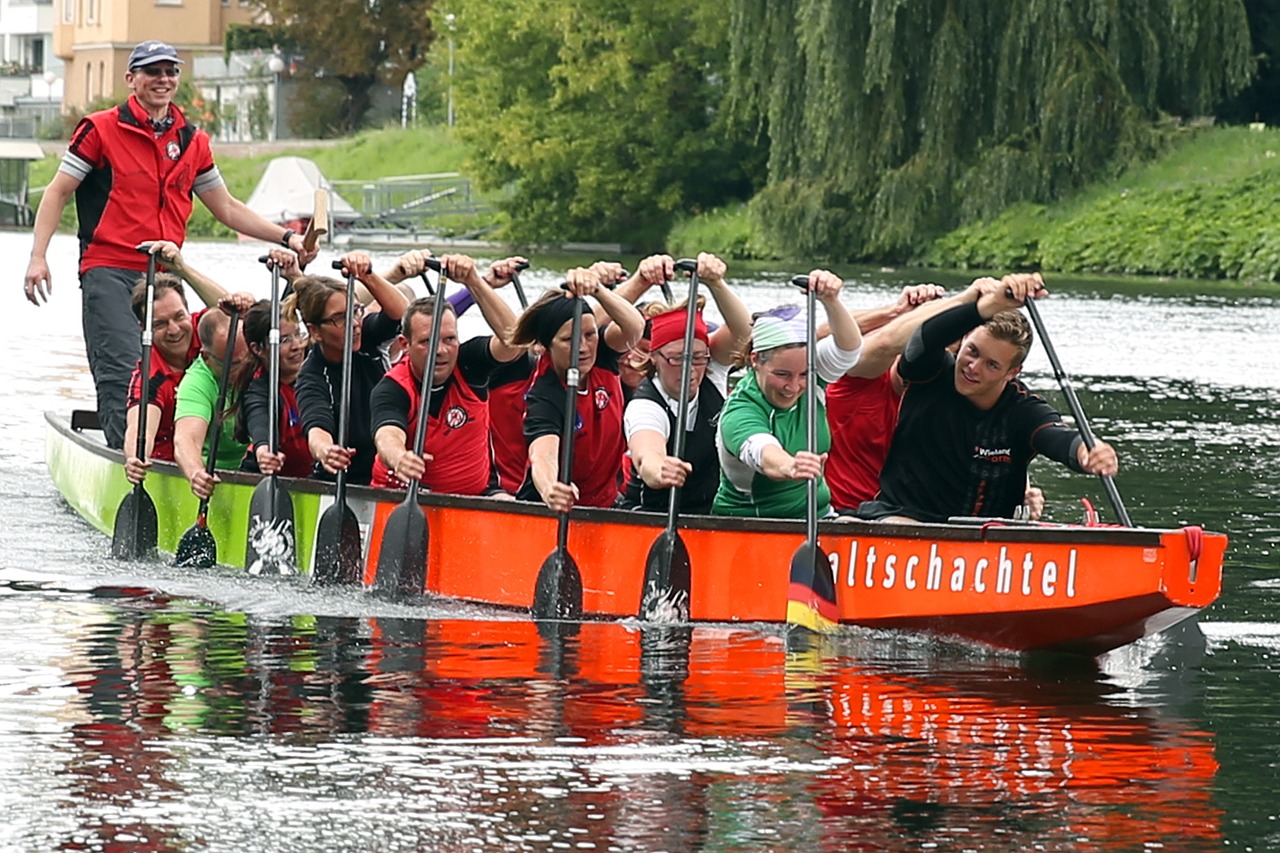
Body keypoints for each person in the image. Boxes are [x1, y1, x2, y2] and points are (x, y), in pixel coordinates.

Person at [22, 40, 318, 450]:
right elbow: (57, 193)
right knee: (125, 368)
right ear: (132, 79)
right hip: (110, 269)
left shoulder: (192, 141)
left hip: (166, 271)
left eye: (170, 72)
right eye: (152, 72)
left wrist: (288, 238)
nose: (163, 79)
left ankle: (187, 445)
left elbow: (228, 208)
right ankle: (123, 453)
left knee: (195, 354)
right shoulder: (99, 129)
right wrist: (38, 257)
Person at [857, 273, 1118, 523]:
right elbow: (925, 337)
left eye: (991, 365)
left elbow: (1058, 438)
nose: (973, 367)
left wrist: (1088, 452)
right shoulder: (930, 372)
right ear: (964, 339)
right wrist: (988, 306)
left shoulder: (1023, 409)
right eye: (972, 351)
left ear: (1012, 372)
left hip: (985, 541)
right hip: (900, 517)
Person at [370, 255, 528, 495]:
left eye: (449, 339)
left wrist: (474, 281)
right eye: (427, 342)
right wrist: (400, 457)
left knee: (511, 508)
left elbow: (514, 343)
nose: (441, 351)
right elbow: (387, 435)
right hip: (402, 496)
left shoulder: (469, 364)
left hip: (478, 495)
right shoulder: (392, 387)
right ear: (404, 344)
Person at [712, 270, 863, 518]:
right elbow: (763, 452)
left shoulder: (814, 375)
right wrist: (790, 466)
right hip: (753, 527)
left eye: (803, 374)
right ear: (755, 360)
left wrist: (831, 301)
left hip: (820, 516)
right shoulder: (740, 410)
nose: (793, 386)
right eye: (782, 374)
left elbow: (849, 350)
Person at [620, 253, 753, 515]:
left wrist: (716, 283)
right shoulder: (645, 405)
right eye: (676, 358)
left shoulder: (712, 371)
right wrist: (659, 470)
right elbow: (646, 453)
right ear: (655, 358)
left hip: (709, 515)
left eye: (698, 357)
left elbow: (744, 333)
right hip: (650, 515)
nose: (690, 369)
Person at [512, 266, 646, 512]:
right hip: (551, 507)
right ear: (546, 346)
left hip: (604, 505)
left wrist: (598, 291)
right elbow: (543, 454)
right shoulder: (545, 393)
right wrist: (551, 487)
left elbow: (634, 328)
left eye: (589, 335)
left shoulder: (602, 355)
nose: (583, 347)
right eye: (568, 340)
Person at [122, 242, 255, 485]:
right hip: (169, 466)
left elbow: (233, 314)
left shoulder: (205, 333)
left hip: (217, 456)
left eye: (179, 316)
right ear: (145, 331)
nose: (174, 330)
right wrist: (133, 458)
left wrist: (183, 270)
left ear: (187, 311)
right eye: (160, 324)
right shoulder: (150, 376)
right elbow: (139, 429)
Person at [293, 252, 412, 486]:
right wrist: (326, 450)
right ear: (315, 331)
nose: (355, 324)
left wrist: (368, 276)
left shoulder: (367, 337)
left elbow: (404, 315)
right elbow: (316, 427)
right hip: (340, 478)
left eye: (355, 311)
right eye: (340, 318)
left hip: (385, 469)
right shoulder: (312, 375)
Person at [228, 256, 314, 478]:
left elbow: (322, 306)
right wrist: (264, 451)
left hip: (313, 476)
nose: (297, 346)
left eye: (298, 335)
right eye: (284, 341)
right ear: (258, 348)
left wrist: (295, 275)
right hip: (267, 476)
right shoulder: (259, 388)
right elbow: (260, 420)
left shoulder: (316, 366)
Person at [173, 308, 251, 500]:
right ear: (207, 358)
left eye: (246, 359)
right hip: (217, 475)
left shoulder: (259, 361)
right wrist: (196, 473)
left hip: (257, 469)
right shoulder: (196, 382)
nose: (243, 369)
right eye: (233, 365)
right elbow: (186, 439)